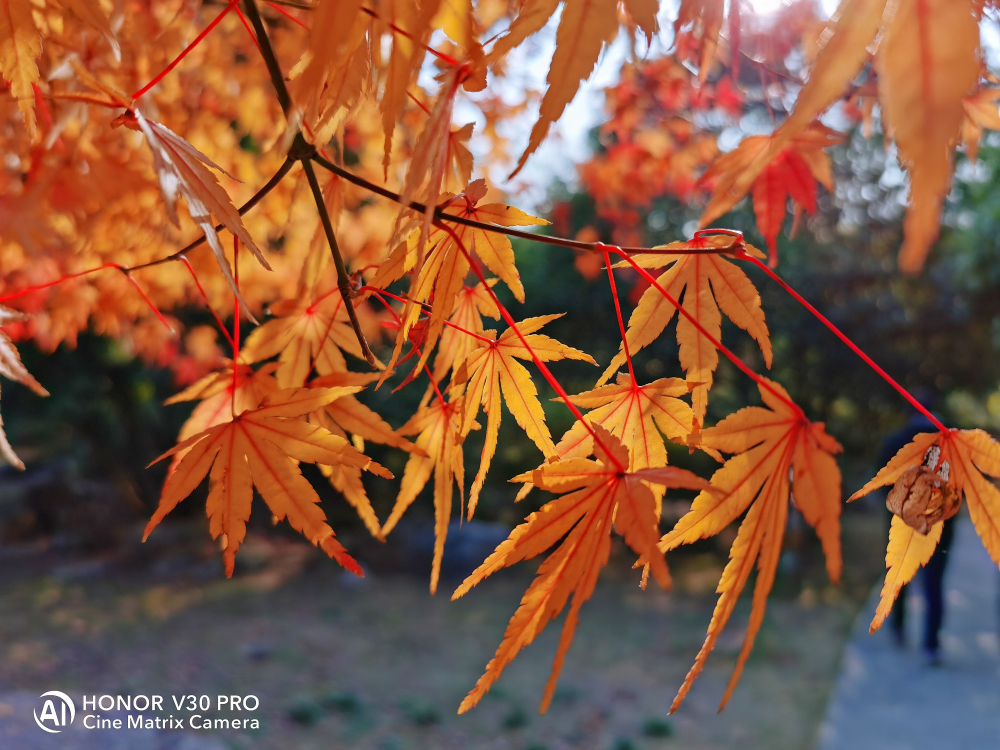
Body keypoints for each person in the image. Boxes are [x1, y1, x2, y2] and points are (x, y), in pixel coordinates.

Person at [880, 404, 956, 666]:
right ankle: (931, 644)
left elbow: (880, 482)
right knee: (934, 585)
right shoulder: (951, 447)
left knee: (900, 577)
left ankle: (898, 627)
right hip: (940, 527)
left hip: (902, 525)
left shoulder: (896, 441)